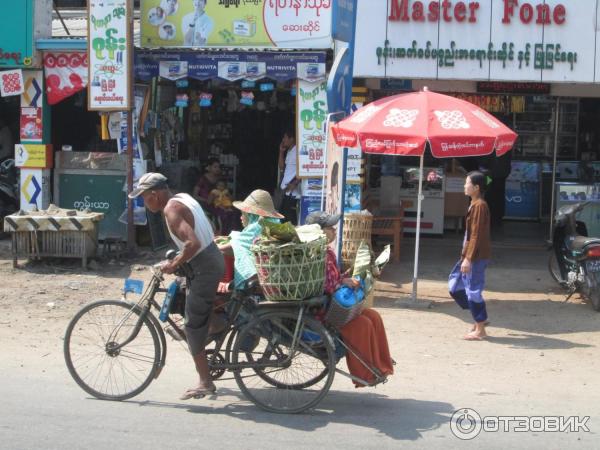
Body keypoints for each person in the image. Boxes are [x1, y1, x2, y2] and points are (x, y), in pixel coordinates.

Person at [129, 173, 225, 400]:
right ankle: (213, 325)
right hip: (209, 258)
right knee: (181, 294)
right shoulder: (183, 198)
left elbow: (193, 243)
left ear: (155, 194)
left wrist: (174, 264)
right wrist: (179, 262)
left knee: (192, 325)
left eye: (144, 198)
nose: (144, 202)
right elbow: (204, 231)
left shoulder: (171, 211)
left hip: (204, 267)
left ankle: (205, 381)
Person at [306, 211, 394, 387]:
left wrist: (359, 273)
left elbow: (336, 279)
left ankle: (381, 365)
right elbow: (327, 286)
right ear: (320, 231)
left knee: (373, 316)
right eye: (330, 227)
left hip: (334, 305)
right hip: (324, 310)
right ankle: (367, 374)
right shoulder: (315, 254)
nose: (334, 230)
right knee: (363, 325)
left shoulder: (327, 252)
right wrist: (343, 281)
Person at [448, 171, 492, 341]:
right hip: (468, 255)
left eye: (467, 183)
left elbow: (476, 235)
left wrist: (468, 259)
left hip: (475, 256)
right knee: (454, 286)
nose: (464, 186)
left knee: (473, 291)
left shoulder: (480, 206)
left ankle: (480, 327)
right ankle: (480, 317)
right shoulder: (474, 204)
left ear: (476, 187)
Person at [218, 190, 283, 290]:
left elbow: (235, 244)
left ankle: (240, 286)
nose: (241, 217)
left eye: (243, 214)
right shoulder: (274, 222)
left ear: (251, 215)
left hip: (261, 278)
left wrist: (213, 247)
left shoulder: (258, 226)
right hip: (275, 274)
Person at [193, 158, 239, 235]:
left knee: (235, 211)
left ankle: (232, 234)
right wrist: (206, 199)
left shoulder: (220, 179)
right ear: (209, 167)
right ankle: (222, 234)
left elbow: (226, 193)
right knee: (224, 213)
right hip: (207, 203)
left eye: (218, 167)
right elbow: (195, 195)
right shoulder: (202, 179)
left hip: (220, 202)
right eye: (215, 167)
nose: (218, 169)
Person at [278, 129, 301, 224]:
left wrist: (294, 183)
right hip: (286, 192)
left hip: (293, 194)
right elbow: (282, 167)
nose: (283, 140)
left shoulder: (298, 151)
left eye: (285, 138)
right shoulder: (290, 151)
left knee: (290, 221)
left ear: (292, 139)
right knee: (283, 219)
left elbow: (303, 168)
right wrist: (281, 152)